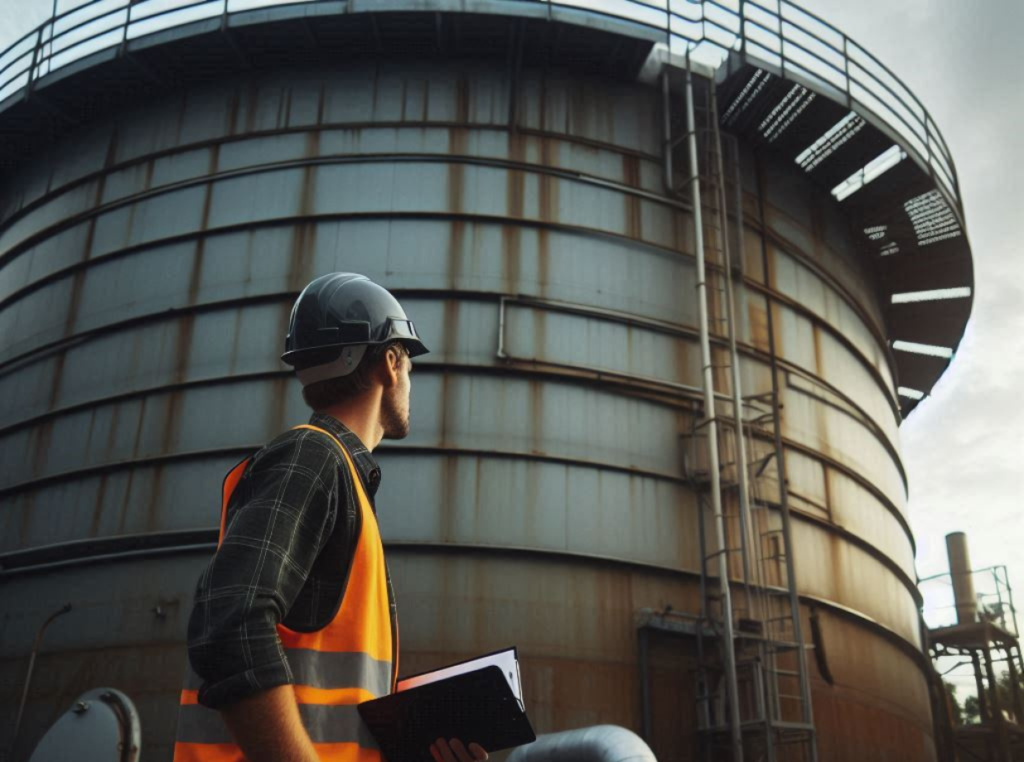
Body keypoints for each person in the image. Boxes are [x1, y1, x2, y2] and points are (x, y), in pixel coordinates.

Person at [172, 273, 489, 762]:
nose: (409, 379)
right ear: (389, 361)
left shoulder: (337, 476)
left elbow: (330, 709)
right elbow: (229, 622)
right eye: (408, 362)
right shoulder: (312, 457)